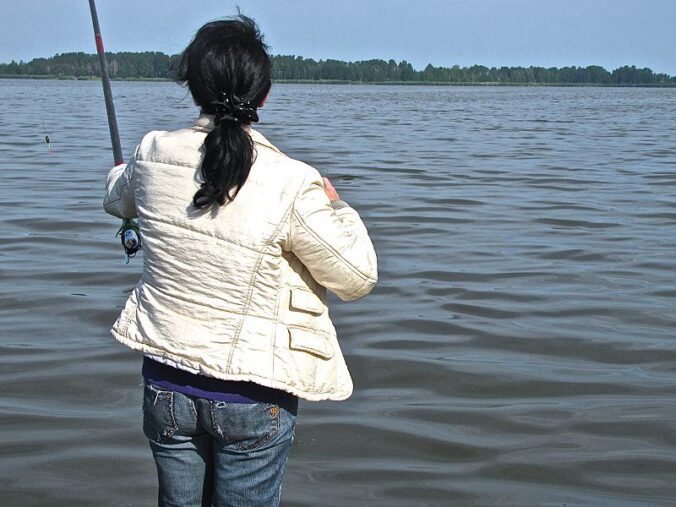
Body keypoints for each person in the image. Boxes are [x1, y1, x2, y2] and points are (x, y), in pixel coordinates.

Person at [103, 15, 377, 507]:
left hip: (165, 386)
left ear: (193, 87)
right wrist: (338, 207)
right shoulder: (292, 180)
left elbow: (116, 199)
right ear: (263, 95)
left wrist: (124, 172)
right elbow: (356, 276)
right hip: (252, 397)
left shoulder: (149, 153)